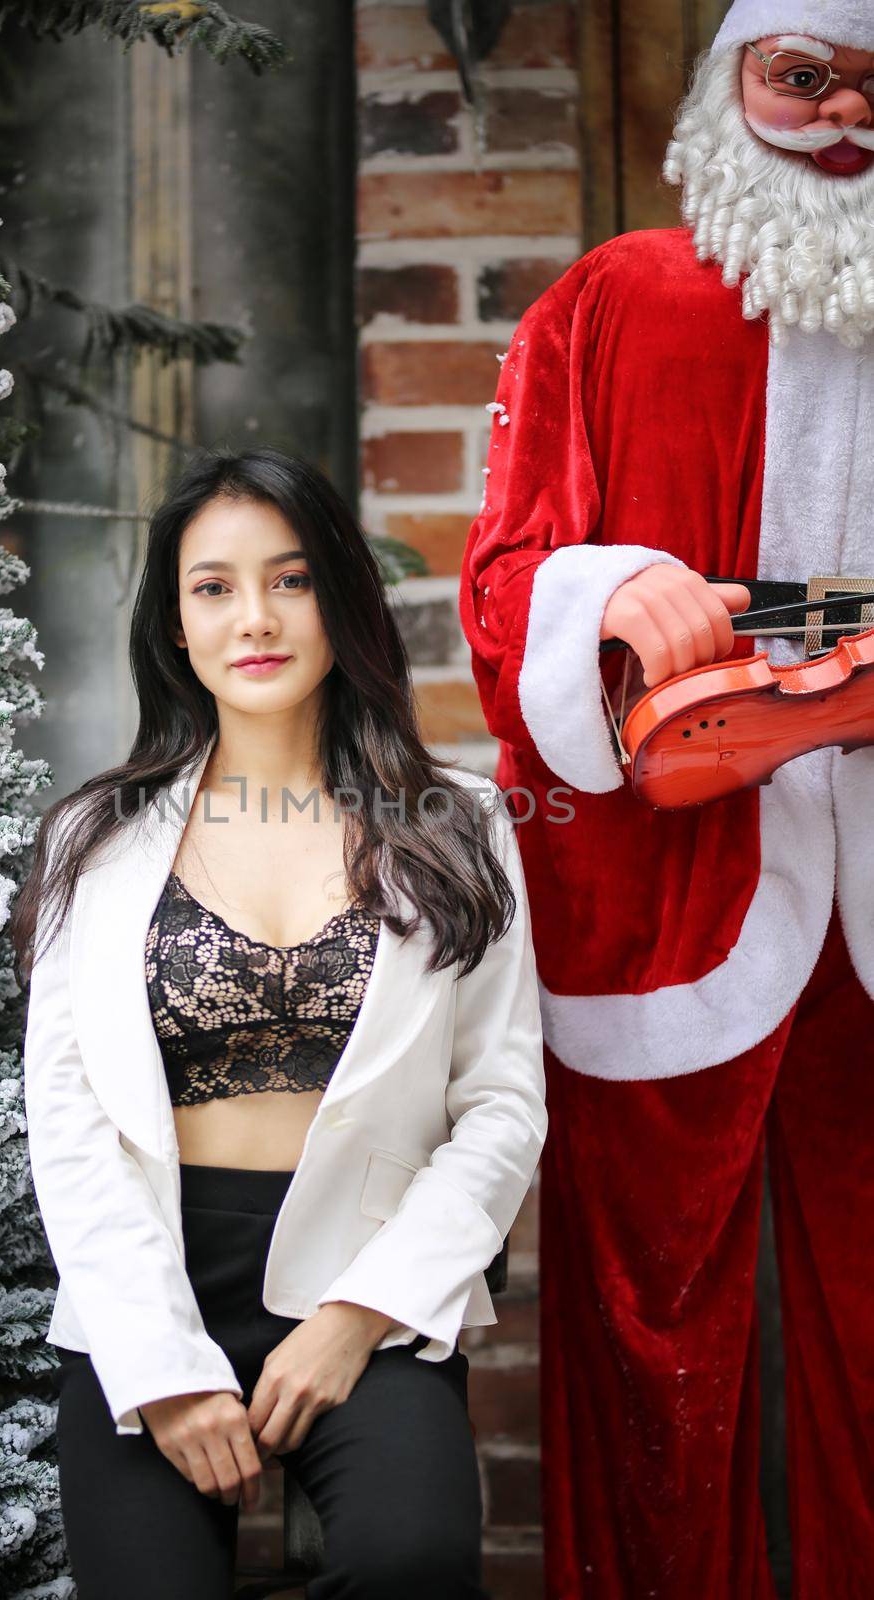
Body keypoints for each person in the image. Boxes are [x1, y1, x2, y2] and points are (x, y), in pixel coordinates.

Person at [459, 1, 874, 1594]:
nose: (839, 118)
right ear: (724, 90)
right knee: (651, 1340)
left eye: (865, 90)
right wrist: (614, 594)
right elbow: (503, 577)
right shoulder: (611, 301)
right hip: (668, 891)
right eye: (799, 80)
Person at [12, 446, 546, 1599]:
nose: (252, 616)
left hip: (366, 1277)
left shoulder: (454, 823)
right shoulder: (91, 842)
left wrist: (358, 1315)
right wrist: (158, 1365)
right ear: (174, 625)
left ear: (338, 600)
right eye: (213, 587)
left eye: (289, 579)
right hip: (151, 1281)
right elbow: (66, 1117)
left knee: (408, 1561)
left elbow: (500, 1106)